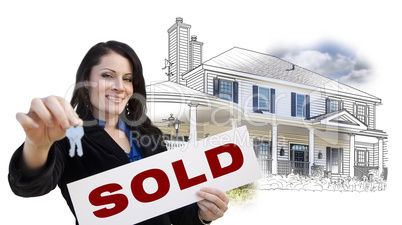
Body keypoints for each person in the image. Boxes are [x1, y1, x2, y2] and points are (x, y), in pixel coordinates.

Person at [8, 40, 229, 225]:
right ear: (86, 82)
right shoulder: (66, 135)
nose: (119, 86)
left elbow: (174, 211)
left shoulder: (150, 135)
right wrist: (38, 144)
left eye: (127, 79)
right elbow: (29, 186)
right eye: (107, 75)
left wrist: (203, 215)